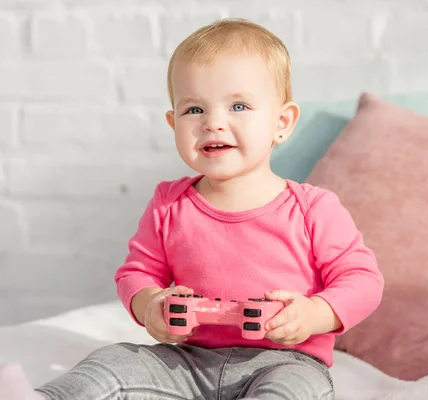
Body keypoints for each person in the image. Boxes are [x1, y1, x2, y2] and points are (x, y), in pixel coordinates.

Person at [0, 18, 384, 400]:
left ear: (281, 123)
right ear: (173, 124)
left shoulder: (312, 208)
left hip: (286, 361)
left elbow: (363, 280)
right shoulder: (170, 203)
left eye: (238, 105)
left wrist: (314, 314)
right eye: (194, 110)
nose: (213, 123)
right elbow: (137, 273)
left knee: (291, 392)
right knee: (113, 361)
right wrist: (150, 305)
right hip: (185, 360)